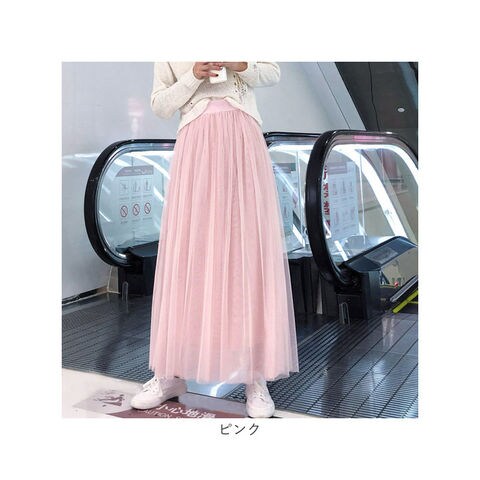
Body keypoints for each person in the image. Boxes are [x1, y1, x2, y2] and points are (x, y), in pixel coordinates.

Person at [130, 62, 299, 418]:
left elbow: (272, 73)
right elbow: (161, 105)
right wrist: (193, 74)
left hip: (243, 142)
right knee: (187, 253)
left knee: (246, 254)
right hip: (195, 146)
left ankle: (255, 377)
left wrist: (241, 64)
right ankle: (169, 373)